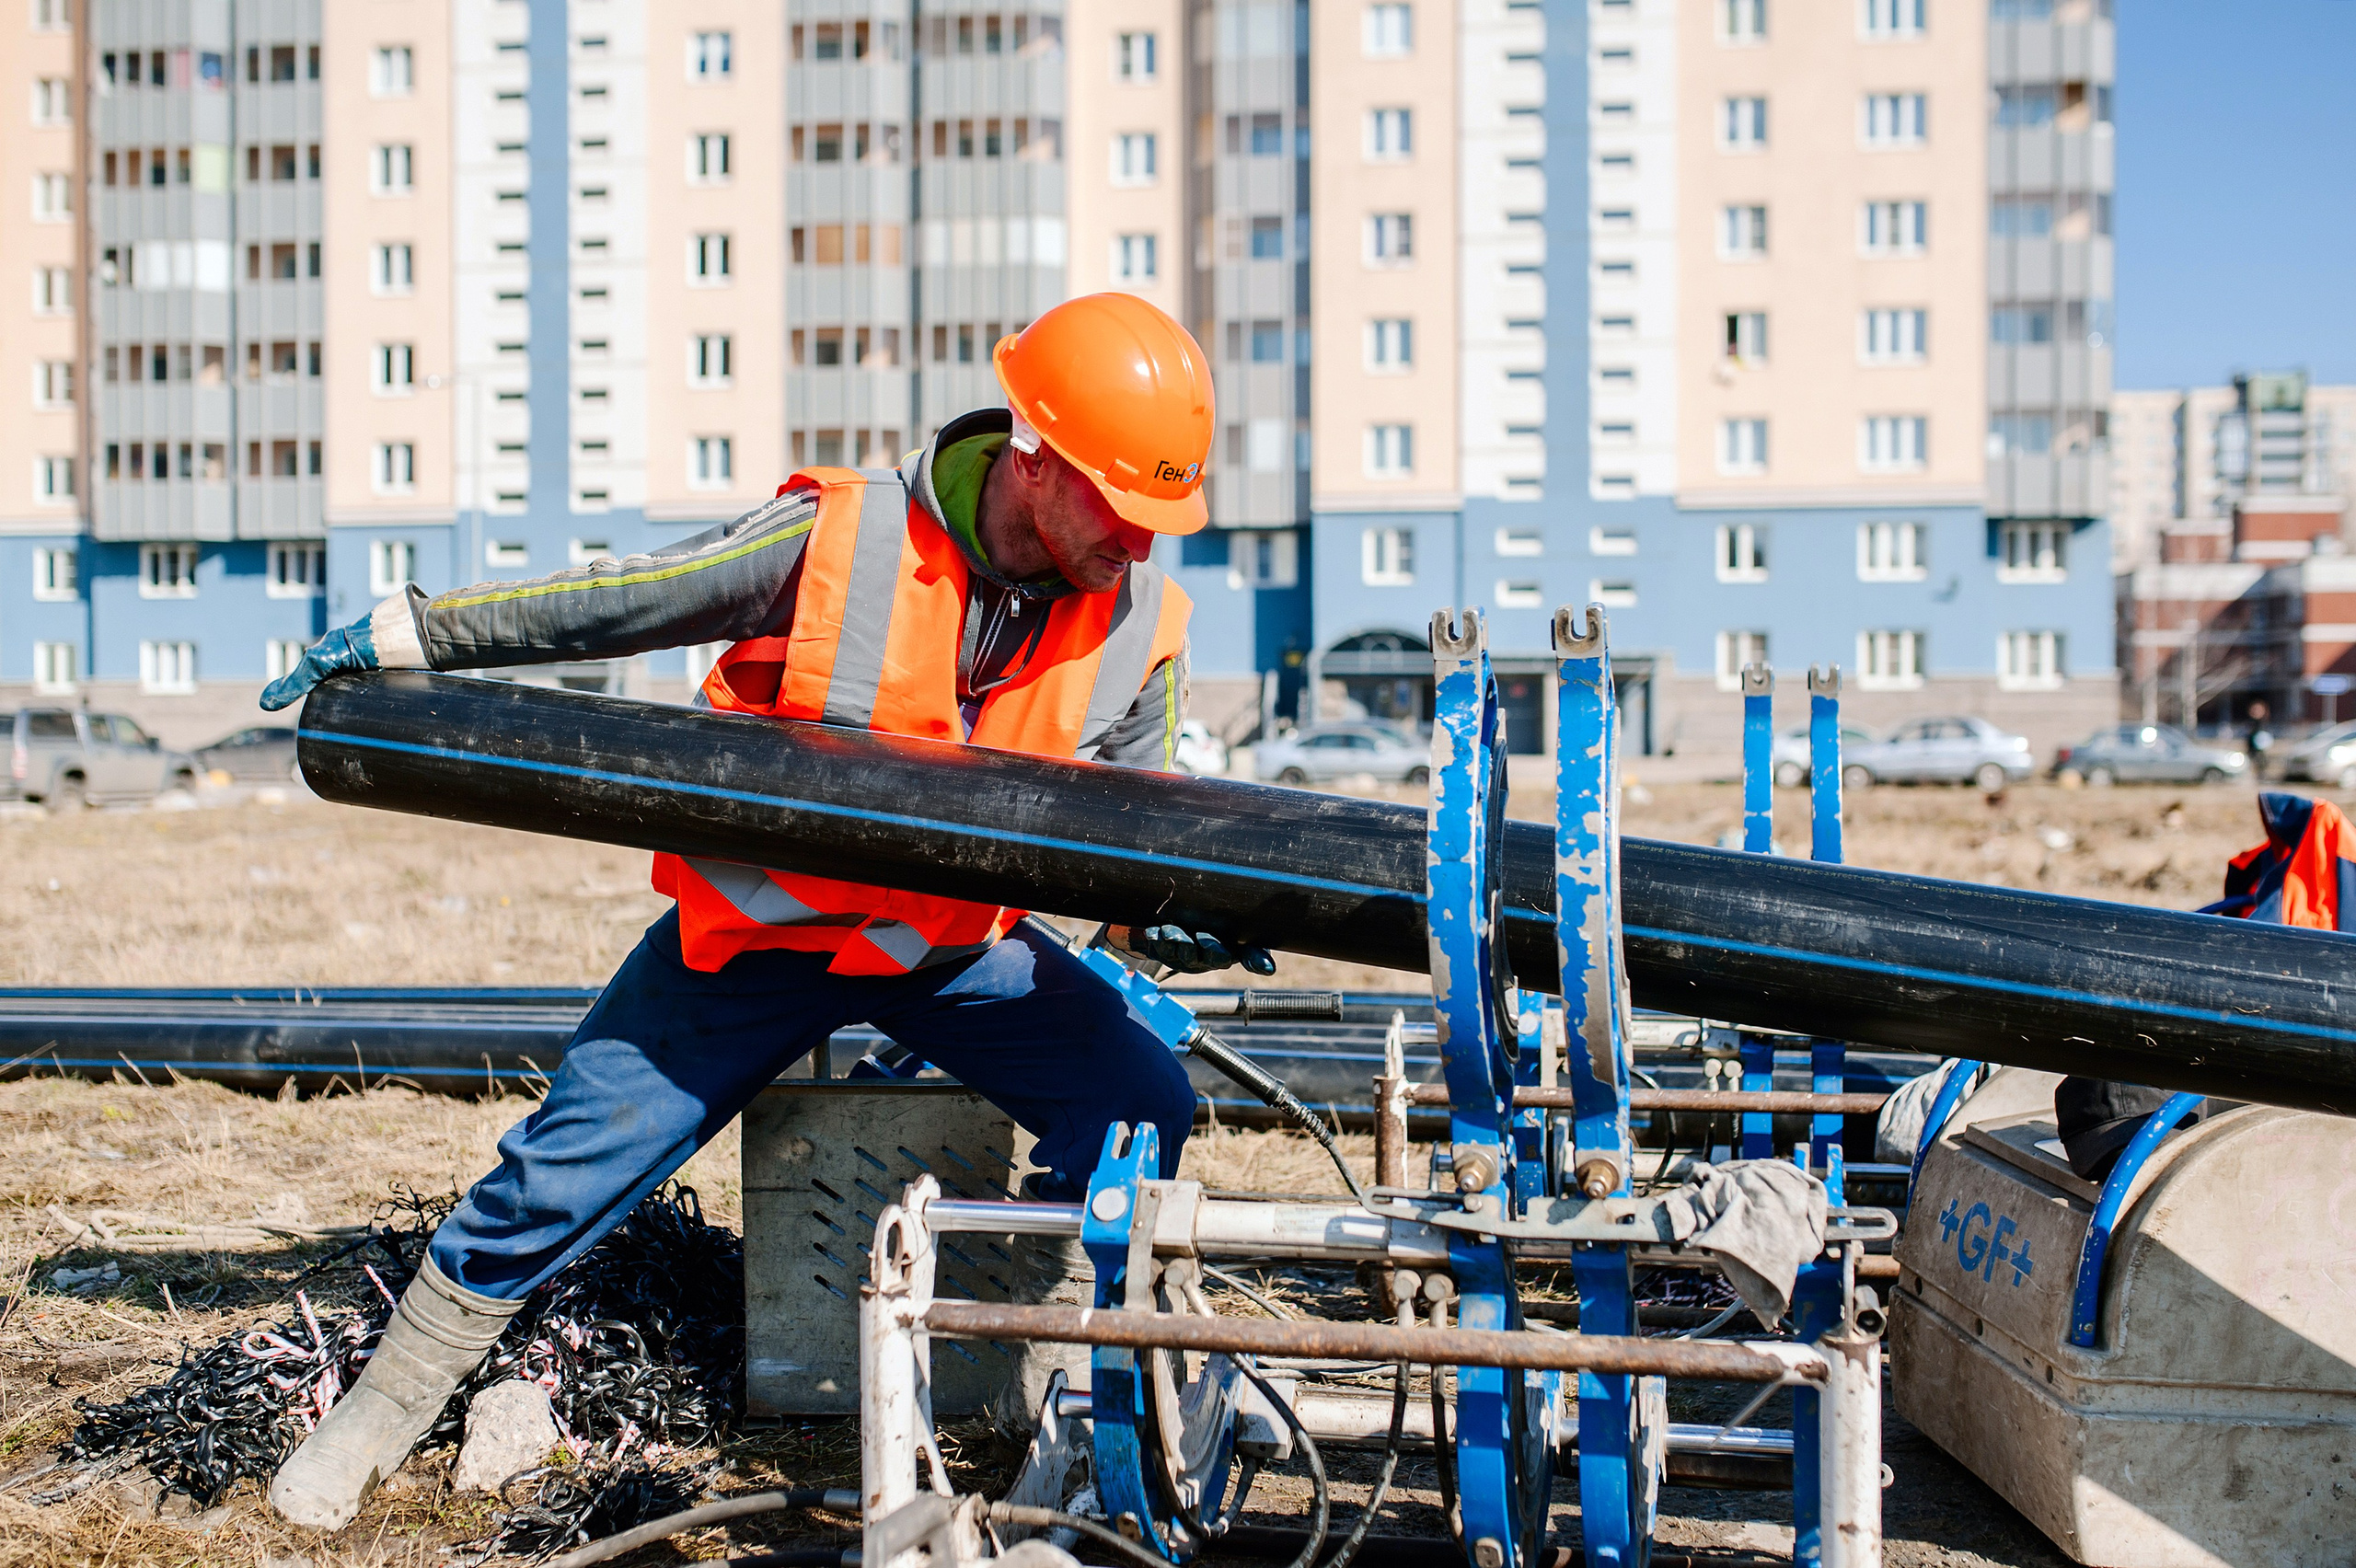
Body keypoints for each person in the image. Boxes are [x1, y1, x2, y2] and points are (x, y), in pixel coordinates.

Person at [259, 294, 1273, 1530]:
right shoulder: (839, 540)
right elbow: (626, 599)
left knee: (1143, 1101)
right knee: (562, 1171)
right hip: (759, 946)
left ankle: (1067, 1371)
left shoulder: (1136, 624)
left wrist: (1172, 911)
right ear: (1036, 458)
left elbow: (1136, 825)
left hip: (950, 952)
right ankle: (388, 1403)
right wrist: (418, 632)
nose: (1145, 547)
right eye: (1126, 509)